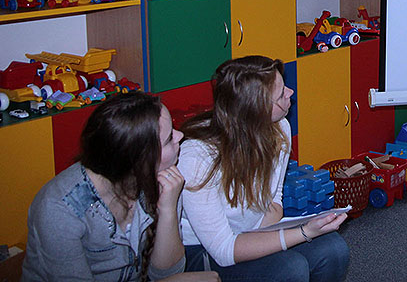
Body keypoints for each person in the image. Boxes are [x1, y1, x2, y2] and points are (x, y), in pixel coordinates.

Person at [179, 56, 349, 282]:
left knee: (334, 250)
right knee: (290, 268)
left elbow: (274, 198)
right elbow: (223, 250)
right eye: (280, 94)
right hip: (203, 250)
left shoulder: (279, 127)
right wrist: (304, 232)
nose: (290, 93)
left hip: (252, 230)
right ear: (256, 110)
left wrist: (269, 231)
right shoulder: (197, 156)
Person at [22, 92, 218, 282]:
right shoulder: (59, 209)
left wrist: (168, 210)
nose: (180, 135)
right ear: (140, 162)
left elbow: (165, 272)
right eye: (168, 140)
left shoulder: (165, 178)